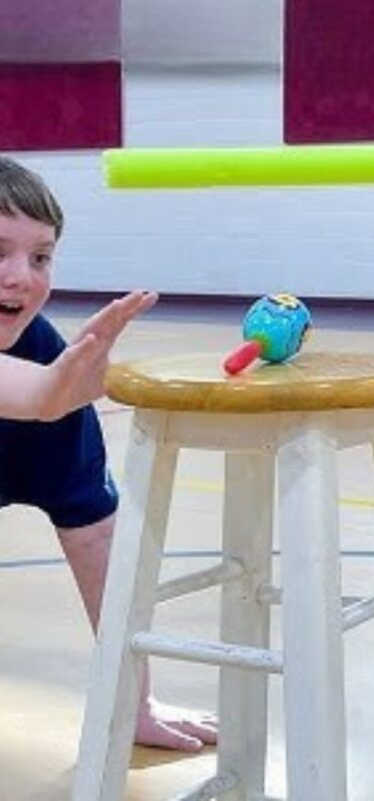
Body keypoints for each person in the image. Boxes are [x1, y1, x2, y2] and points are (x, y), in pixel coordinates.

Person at [0, 155, 217, 752]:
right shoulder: (52, 375)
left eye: (40, 257)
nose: (21, 277)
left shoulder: (46, 355)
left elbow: (94, 536)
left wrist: (135, 701)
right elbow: (33, 394)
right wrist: (62, 388)